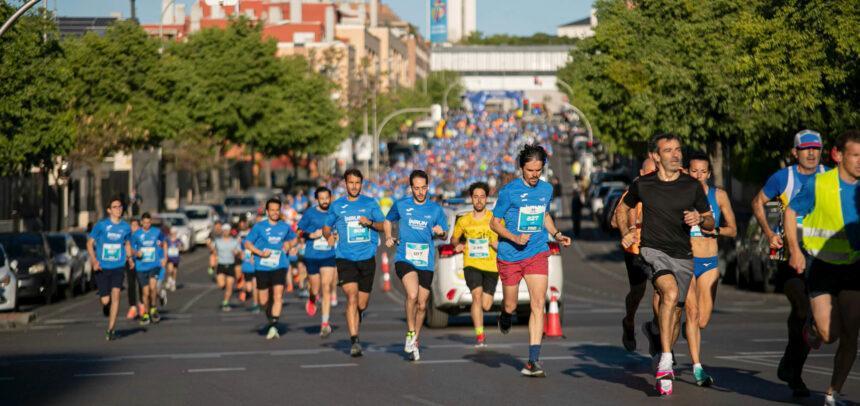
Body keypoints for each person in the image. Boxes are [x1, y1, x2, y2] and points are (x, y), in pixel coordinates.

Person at [616, 133, 714, 396]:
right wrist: (626, 231)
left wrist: (699, 218)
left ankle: (659, 340)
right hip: (652, 251)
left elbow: (709, 221)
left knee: (676, 313)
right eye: (668, 150)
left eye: (678, 149)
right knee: (668, 292)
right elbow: (622, 209)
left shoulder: (691, 186)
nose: (675, 154)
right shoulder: (643, 185)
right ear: (656, 157)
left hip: (683, 254)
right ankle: (667, 359)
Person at [751, 129, 828, 397]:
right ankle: (793, 371)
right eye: (805, 148)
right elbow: (757, 202)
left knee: (810, 319)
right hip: (790, 257)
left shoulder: (829, 178)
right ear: (795, 152)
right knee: (803, 309)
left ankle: (791, 367)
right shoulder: (783, 177)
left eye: (815, 148)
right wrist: (769, 233)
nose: (811, 153)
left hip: (822, 258)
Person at [784, 130, 859, 406]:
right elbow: (790, 212)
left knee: (852, 331)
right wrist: (795, 250)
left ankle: (832, 393)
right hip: (823, 266)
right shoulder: (820, 184)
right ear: (838, 156)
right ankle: (813, 330)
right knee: (830, 334)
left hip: (855, 267)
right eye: (855, 155)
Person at [490, 144, 572, 377]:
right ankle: (505, 316)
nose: (535, 175)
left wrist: (556, 234)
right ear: (521, 168)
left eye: (538, 170)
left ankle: (533, 361)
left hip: (536, 251)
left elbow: (544, 215)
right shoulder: (509, 192)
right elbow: (494, 224)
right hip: (510, 255)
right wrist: (514, 237)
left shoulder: (546, 190)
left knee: (538, 304)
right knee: (511, 305)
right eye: (530, 170)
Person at [683, 152, 737, 387]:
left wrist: (714, 231)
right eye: (693, 171)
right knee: (692, 313)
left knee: (703, 319)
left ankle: (690, 330)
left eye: (702, 171)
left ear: (709, 173)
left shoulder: (719, 195)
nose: (698, 175)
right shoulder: (679, 195)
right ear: (687, 171)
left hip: (709, 261)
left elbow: (733, 229)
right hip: (685, 260)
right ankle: (697, 367)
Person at [384, 170, 449, 361]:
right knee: (412, 295)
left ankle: (415, 340)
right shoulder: (402, 205)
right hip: (405, 257)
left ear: (428, 187)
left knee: (422, 305)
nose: (420, 192)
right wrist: (388, 236)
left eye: (423, 188)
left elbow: (445, 234)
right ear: (411, 188)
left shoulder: (435, 210)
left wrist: (441, 232)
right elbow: (388, 220)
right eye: (416, 188)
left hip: (425, 261)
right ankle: (411, 333)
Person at [323, 169, 385, 357]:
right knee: (351, 297)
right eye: (351, 183)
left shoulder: (370, 203)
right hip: (345, 258)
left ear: (361, 184)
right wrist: (329, 236)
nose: (354, 186)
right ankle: (354, 341)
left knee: (362, 303)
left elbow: (383, 225)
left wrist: (370, 223)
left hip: (367, 257)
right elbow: (326, 228)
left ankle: (358, 314)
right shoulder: (337, 206)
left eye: (358, 183)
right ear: (345, 183)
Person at [611, 158, 657, 353]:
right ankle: (629, 321)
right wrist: (629, 230)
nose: (651, 177)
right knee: (637, 292)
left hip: (658, 248)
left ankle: (656, 331)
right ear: (640, 172)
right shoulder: (633, 191)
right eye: (648, 173)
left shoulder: (663, 189)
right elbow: (615, 220)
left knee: (664, 293)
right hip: (635, 250)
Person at [451, 182, 499, 348]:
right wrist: (457, 245)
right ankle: (480, 335)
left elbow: (504, 240)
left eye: (482, 197)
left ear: (487, 198)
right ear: (471, 198)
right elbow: (454, 239)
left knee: (486, 304)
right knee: (476, 296)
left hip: (491, 266)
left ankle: (481, 328)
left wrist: (497, 245)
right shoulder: (464, 221)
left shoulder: (495, 219)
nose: (479, 200)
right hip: (471, 263)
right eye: (476, 197)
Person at [245, 199, 298, 339]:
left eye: (277, 210)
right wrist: (259, 252)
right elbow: (247, 243)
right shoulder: (259, 227)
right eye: (272, 210)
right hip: (262, 266)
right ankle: (271, 318)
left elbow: (294, 239)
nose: (275, 212)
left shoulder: (285, 227)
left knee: (278, 295)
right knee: (263, 302)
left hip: (280, 265)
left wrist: (289, 245)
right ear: (267, 211)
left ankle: (274, 324)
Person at [86, 196, 134, 341]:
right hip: (102, 267)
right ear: (109, 210)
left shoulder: (126, 227)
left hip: (118, 266)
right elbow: (89, 244)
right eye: (115, 207)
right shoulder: (101, 226)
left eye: (120, 207)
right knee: (106, 300)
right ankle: (106, 306)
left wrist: (130, 258)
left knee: (116, 295)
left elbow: (127, 243)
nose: (118, 209)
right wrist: (94, 260)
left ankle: (110, 329)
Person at [296, 187, 338, 338]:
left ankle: (325, 323)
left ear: (330, 198)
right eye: (322, 198)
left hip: (329, 254)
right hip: (312, 255)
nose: (325, 201)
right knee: (315, 289)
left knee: (326, 287)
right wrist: (311, 234)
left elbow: (341, 228)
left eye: (327, 198)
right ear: (317, 199)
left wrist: (337, 235)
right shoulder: (310, 213)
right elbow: (299, 230)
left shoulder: (335, 212)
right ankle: (312, 298)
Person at [131, 213, 167, 325]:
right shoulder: (136, 235)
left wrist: (164, 257)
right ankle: (146, 313)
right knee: (145, 292)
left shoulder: (156, 232)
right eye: (145, 222)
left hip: (154, 265)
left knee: (153, 287)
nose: (147, 224)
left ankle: (154, 308)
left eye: (149, 222)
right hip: (141, 267)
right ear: (141, 222)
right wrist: (136, 254)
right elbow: (131, 249)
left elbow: (164, 243)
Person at [214, 224, 242, 312]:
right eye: (224, 230)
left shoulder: (234, 241)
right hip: (221, 265)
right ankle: (225, 288)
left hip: (230, 265)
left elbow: (239, 252)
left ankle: (225, 302)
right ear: (222, 231)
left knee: (229, 286)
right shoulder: (217, 241)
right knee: (221, 285)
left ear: (230, 231)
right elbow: (213, 251)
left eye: (227, 230)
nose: (226, 232)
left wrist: (236, 253)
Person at [125, 218, 144, 320]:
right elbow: (126, 248)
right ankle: (132, 307)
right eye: (132, 226)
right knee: (131, 284)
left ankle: (142, 304)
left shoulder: (142, 236)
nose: (134, 228)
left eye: (136, 225)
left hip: (141, 263)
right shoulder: (128, 237)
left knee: (142, 283)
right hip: (130, 263)